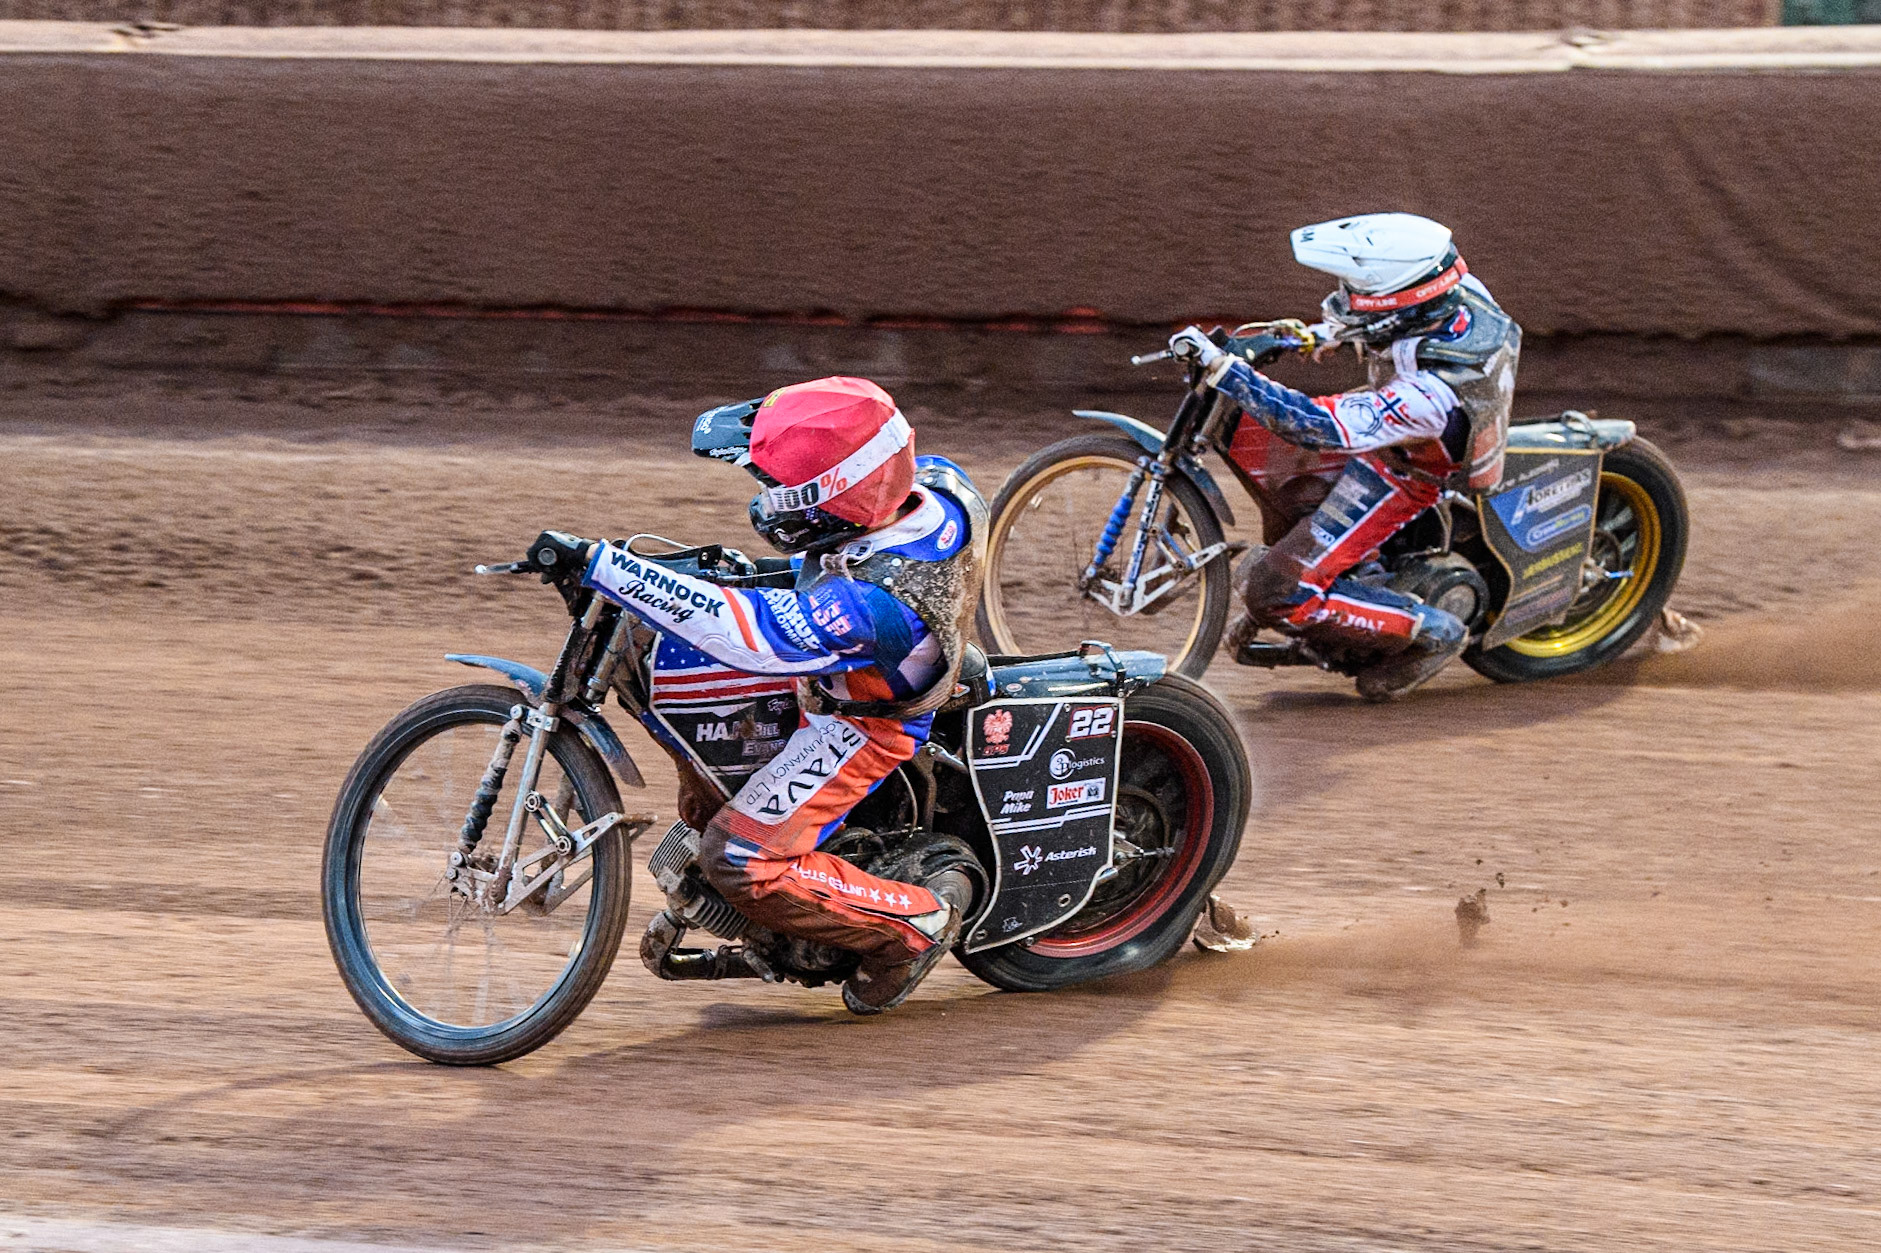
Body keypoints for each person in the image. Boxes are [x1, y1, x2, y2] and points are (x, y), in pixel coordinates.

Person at [533, 376, 985, 1014]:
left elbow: (755, 636)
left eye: (779, 490)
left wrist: (614, 568)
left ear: (829, 503)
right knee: (703, 777)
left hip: (865, 723)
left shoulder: (872, 604)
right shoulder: (929, 482)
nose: (768, 499)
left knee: (739, 857)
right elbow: (837, 431)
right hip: (843, 669)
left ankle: (913, 927)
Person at [1165, 212, 1522, 700]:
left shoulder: (1428, 395)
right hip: (1405, 433)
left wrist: (1229, 372)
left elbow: (1313, 425)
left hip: (1406, 471)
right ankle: (1362, 577)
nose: (1345, 299)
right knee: (1290, 499)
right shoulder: (1454, 290)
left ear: (1399, 305)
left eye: (1359, 294)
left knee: (1273, 591)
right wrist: (1316, 335)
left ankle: (1436, 632)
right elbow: (1385, 327)